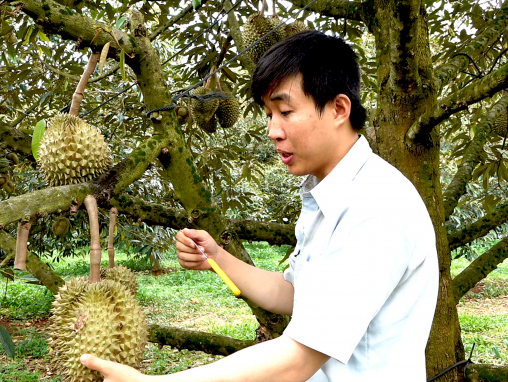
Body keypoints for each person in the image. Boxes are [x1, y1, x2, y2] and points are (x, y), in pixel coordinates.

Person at [81, 31, 439, 382]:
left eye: (285, 111)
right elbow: (297, 295)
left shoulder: (377, 205)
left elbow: (298, 359)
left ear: (338, 109)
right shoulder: (328, 195)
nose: (273, 130)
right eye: (269, 114)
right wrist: (218, 258)